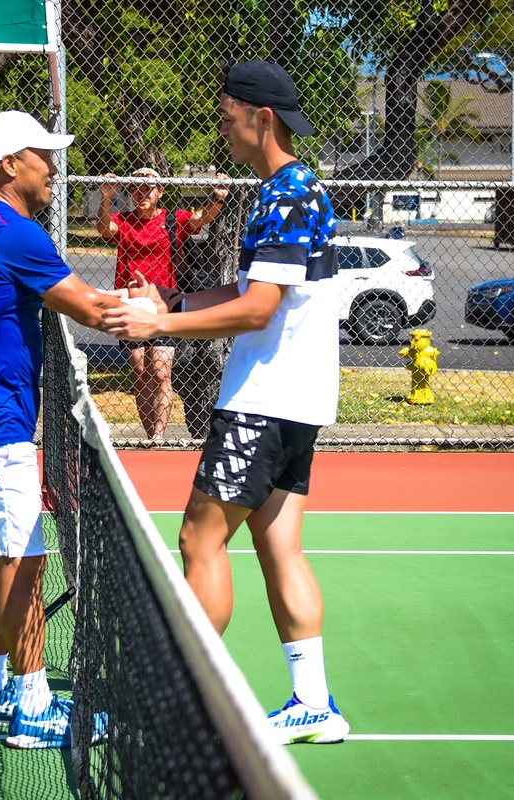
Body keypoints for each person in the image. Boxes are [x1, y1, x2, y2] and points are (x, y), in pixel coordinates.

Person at [101, 60, 350, 745]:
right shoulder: (291, 190)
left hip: (264, 402)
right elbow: (247, 293)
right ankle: (313, 703)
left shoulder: (286, 195)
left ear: (259, 118)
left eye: (226, 115)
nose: (222, 127)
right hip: (295, 403)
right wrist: (172, 301)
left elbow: (258, 312)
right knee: (279, 547)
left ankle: (187, 702)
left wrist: (163, 327)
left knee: (198, 539)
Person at [0, 110, 143, 750]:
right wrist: (160, 307)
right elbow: (88, 308)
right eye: (42, 156)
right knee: (25, 564)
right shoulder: (17, 234)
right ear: (9, 166)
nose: (55, 168)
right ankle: (32, 707)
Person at [96, 167, 227, 440]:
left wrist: (217, 198)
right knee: (141, 369)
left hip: (164, 303)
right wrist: (106, 198)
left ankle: (158, 436)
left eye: (148, 189)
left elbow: (201, 219)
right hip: (131, 303)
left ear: (160, 191)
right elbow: (105, 229)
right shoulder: (125, 219)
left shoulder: (172, 219)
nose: (141, 194)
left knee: (160, 370)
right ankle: (148, 436)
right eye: (135, 189)